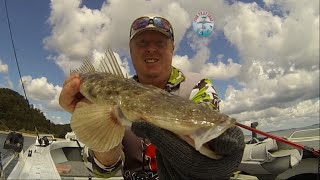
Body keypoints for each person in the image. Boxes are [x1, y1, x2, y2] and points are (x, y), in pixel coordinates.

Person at [59, 14, 245, 180]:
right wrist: (92, 119)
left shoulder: (198, 86)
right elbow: (102, 172)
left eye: (160, 43)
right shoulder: (118, 96)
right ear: (131, 50)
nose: (151, 49)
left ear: (172, 49)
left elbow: (210, 135)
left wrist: (213, 152)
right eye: (142, 43)